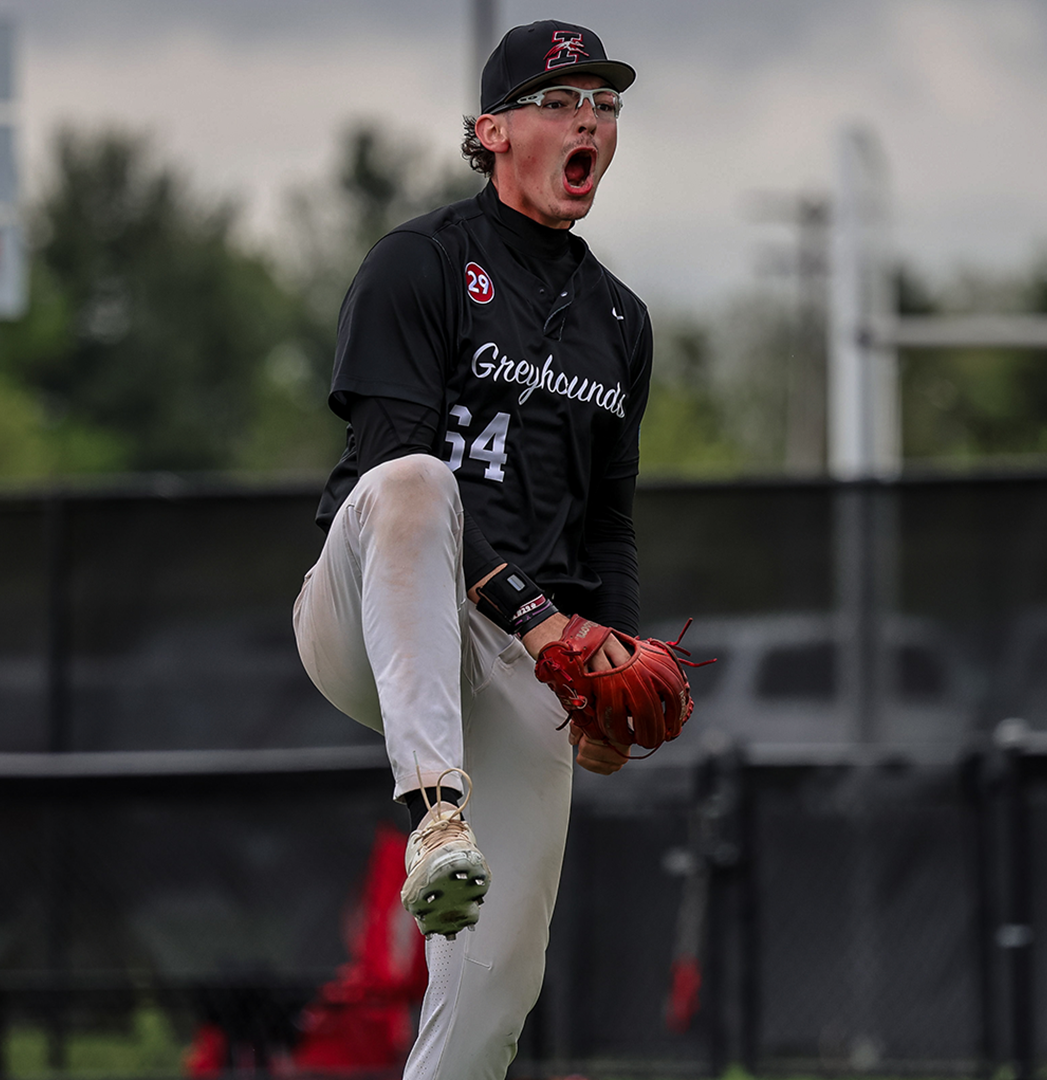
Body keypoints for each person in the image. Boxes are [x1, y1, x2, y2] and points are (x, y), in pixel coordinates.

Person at [292, 19, 652, 1080]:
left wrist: (610, 660)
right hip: (365, 610)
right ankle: (435, 810)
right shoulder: (421, 264)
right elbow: (388, 466)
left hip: (514, 659)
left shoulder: (621, 321)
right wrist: (546, 621)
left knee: (496, 993)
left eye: (606, 101)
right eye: (559, 99)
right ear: (491, 132)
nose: (588, 116)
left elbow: (610, 524)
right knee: (415, 482)